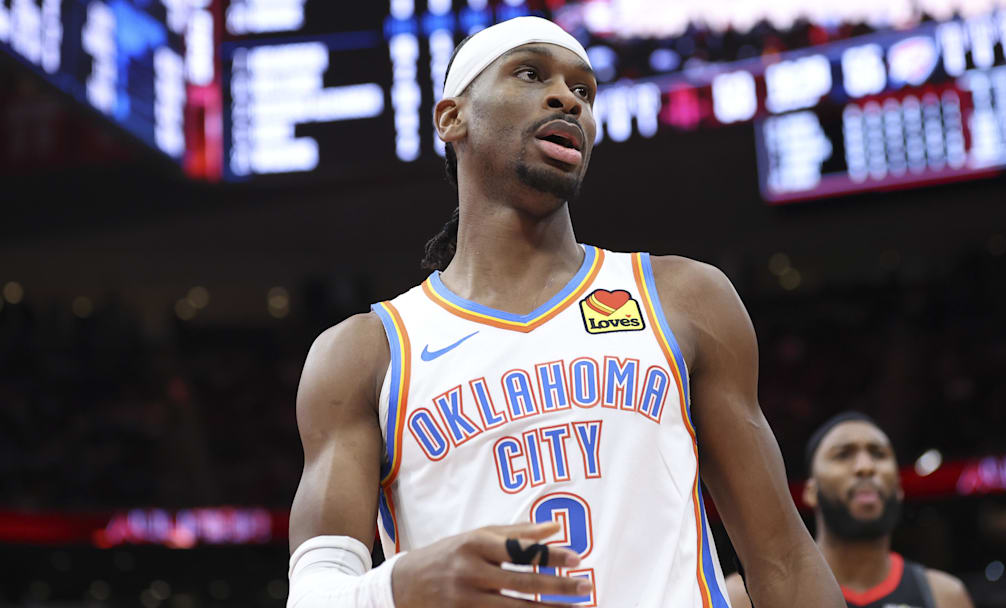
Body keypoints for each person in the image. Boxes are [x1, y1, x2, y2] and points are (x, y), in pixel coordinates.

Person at [285, 16, 845, 608]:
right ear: (452, 119)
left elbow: (781, 557)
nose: (566, 98)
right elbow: (317, 594)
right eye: (530, 73)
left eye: (584, 90)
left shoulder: (682, 298)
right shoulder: (366, 351)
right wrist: (395, 588)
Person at [724, 412, 975, 608]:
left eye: (878, 454)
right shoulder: (741, 597)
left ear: (899, 487)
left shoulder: (946, 596)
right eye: (843, 455)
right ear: (811, 491)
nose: (865, 467)